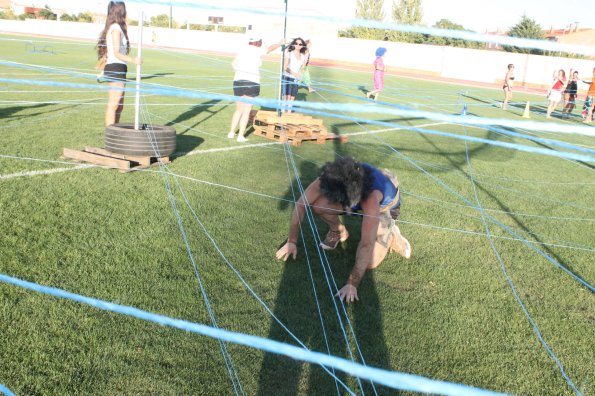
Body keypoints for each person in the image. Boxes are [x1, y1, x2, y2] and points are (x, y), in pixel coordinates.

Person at [275, 157, 412, 304]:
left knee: (370, 262)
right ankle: (338, 231)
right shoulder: (330, 175)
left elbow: (367, 243)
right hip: (357, 191)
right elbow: (301, 204)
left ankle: (391, 235)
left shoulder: (372, 198)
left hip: (385, 207)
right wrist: (292, 241)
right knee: (320, 205)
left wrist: (352, 284)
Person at [228, 37, 283, 142]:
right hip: (252, 82)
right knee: (246, 111)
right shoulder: (258, 50)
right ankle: (240, 136)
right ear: (258, 42)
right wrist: (280, 43)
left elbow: (233, 63)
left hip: (238, 81)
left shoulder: (243, 49)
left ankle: (231, 133)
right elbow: (271, 48)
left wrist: (238, 72)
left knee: (238, 110)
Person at [96, 1, 142, 127]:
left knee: (119, 105)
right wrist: (134, 60)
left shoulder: (116, 28)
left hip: (120, 67)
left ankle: (115, 132)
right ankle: (111, 135)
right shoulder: (116, 28)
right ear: (120, 12)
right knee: (114, 104)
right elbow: (116, 53)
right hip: (116, 67)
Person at [281, 38, 307, 113]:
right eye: (296, 43)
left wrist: (300, 74)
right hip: (287, 77)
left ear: (302, 46)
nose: (298, 45)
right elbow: (285, 67)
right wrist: (294, 73)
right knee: (287, 95)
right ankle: (283, 110)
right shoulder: (289, 53)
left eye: (300, 44)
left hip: (296, 79)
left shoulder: (303, 56)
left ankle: (289, 111)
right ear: (293, 44)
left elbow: (303, 68)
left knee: (293, 96)